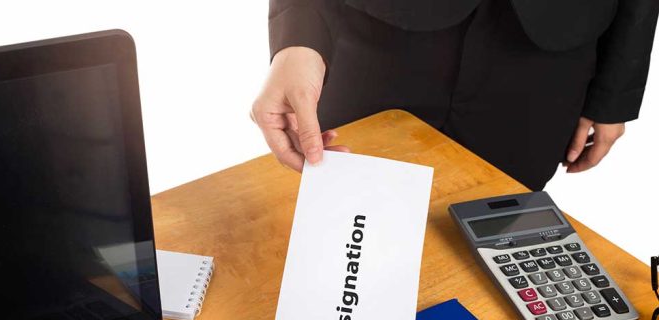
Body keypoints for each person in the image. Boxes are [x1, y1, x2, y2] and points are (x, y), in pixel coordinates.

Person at [251, 0, 659, 190]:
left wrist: (615, 90)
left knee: (493, 272)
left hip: (545, 63)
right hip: (379, 40)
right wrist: (298, 35)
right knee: (343, 244)